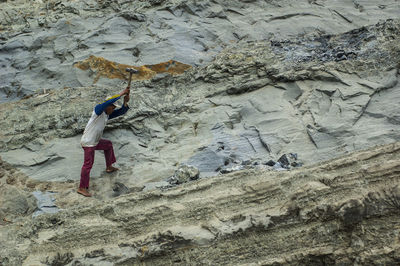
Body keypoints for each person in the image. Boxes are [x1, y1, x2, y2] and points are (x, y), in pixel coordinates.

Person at [78, 88, 130, 197]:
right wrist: (121, 93)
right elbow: (106, 103)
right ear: (108, 106)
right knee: (88, 165)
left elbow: (122, 112)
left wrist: (125, 102)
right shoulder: (98, 111)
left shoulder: (107, 115)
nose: (113, 109)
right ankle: (82, 188)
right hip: (88, 142)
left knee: (108, 145)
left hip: (95, 141)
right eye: (112, 107)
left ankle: (109, 166)